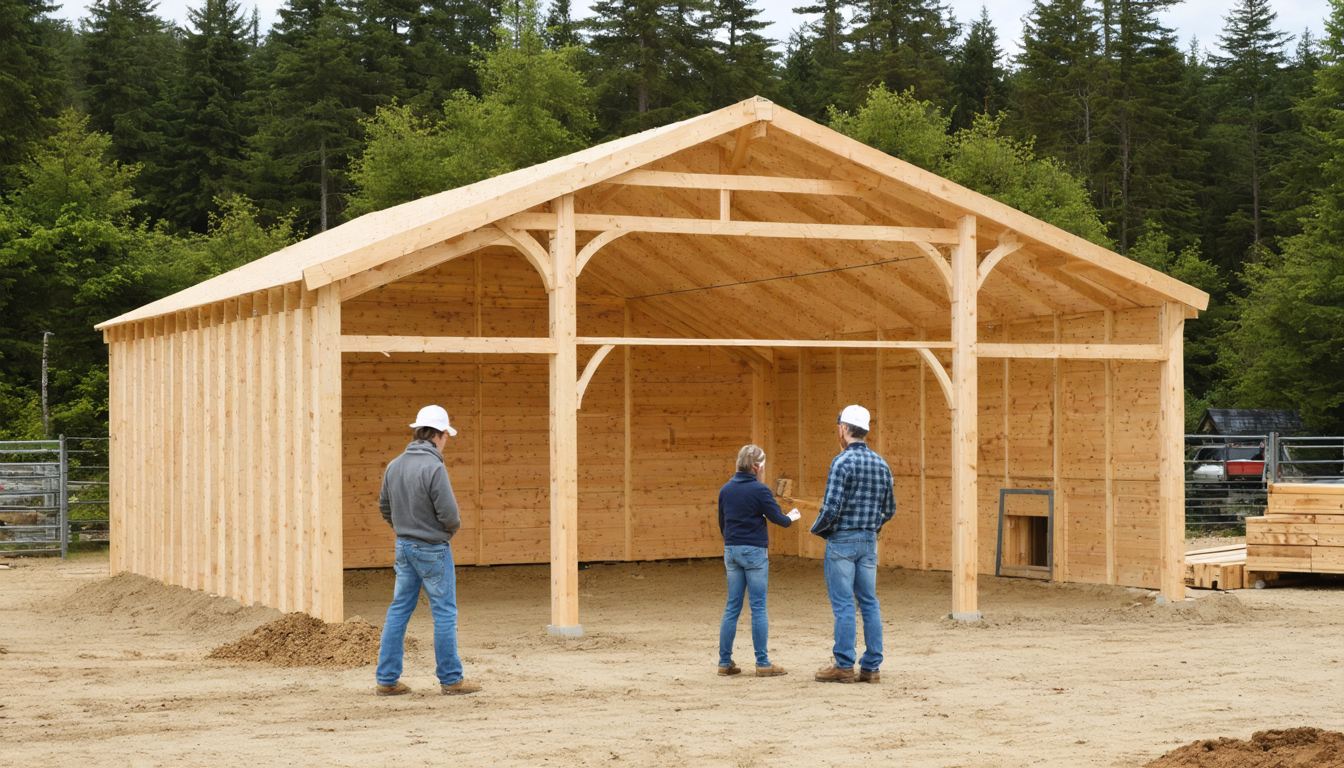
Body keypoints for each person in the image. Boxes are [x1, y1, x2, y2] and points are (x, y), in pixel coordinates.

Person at [374, 405, 481, 696]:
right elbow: (450, 514)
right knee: (444, 614)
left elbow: (384, 506)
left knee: (398, 611)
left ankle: (386, 679)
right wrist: (444, 533)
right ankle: (451, 679)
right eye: (447, 435)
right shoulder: (434, 467)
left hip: (403, 546)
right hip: (433, 548)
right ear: (440, 435)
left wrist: (402, 528)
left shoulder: (394, 465)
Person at [811, 405, 895, 684]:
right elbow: (890, 508)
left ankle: (844, 664)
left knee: (844, 604)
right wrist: (872, 528)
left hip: (842, 540)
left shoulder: (842, 462)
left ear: (843, 429)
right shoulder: (881, 463)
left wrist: (820, 529)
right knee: (869, 603)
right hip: (869, 539)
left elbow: (831, 507)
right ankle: (871, 667)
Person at [716, 445, 801, 678]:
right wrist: (792, 516)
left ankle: (724, 662)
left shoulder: (726, 489)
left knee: (732, 607)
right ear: (757, 466)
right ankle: (762, 662)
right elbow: (780, 520)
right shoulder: (760, 490)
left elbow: (722, 523)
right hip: (754, 551)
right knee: (758, 607)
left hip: (731, 549)